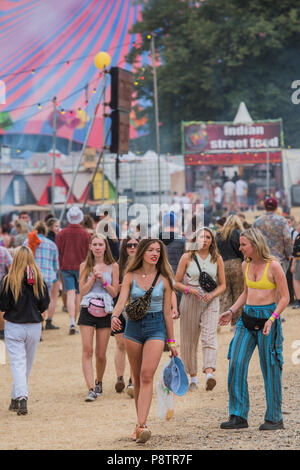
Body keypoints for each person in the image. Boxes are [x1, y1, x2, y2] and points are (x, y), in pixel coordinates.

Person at [219, 228, 289, 431]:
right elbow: (246, 292)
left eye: (243, 245)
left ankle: (275, 418)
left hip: (268, 318)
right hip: (246, 318)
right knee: (236, 363)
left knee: (271, 367)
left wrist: (273, 318)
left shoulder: (274, 266)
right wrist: (231, 311)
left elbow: (285, 297)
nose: (240, 248)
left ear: (255, 245)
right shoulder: (245, 265)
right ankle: (238, 415)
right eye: (240, 245)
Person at [111, 239, 178, 444]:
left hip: (156, 327)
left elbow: (167, 313)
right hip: (133, 328)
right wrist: (114, 316)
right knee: (138, 378)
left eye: (158, 250)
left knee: (147, 375)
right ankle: (140, 424)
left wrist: (172, 341)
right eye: (150, 250)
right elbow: (121, 301)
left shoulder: (165, 278)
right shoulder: (130, 275)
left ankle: (142, 425)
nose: (155, 253)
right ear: (142, 252)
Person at [175, 227, 226, 392]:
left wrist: (212, 295)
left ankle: (209, 373)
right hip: (191, 298)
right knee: (189, 340)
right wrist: (189, 290)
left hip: (210, 300)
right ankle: (193, 377)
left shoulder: (217, 258)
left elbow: (223, 285)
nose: (204, 240)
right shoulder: (187, 257)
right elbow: (176, 282)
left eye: (208, 237)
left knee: (209, 336)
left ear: (212, 241)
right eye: (201, 237)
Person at [0, 246, 50, 415]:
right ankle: (16, 397)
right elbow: (44, 303)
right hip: (34, 325)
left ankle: (21, 398)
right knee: (26, 364)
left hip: (14, 325)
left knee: (18, 363)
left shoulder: (8, 280)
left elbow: (3, 305)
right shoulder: (38, 279)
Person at [78, 234, 119, 402]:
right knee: (87, 350)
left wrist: (103, 280)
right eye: (94, 244)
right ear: (90, 247)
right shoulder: (84, 266)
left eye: (100, 244)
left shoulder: (113, 266)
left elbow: (115, 292)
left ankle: (99, 381)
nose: (97, 247)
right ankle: (90, 389)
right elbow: (82, 291)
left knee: (100, 353)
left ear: (105, 247)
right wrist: (93, 277)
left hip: (106, 309)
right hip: (87, 308)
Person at [56, 206, 90, 335]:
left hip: (65, 267)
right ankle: (75, 321)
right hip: (81, 267)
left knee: (70, 293)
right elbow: (89, 253)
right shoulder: (86, 234)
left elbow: (58, 251)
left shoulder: (61, 233)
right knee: (78, 295)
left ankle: (71, 321)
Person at [113, 236, 140, 397]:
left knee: (132, 345)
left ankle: (132, 379)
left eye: (135, 245)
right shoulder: (118, 265)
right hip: (120, 306)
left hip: (135, 308)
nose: (132, 247)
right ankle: (119, 378)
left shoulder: (143, 265)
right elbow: (114, 289)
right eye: (128, 245)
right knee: (120, 343)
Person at [25, 222, 60, 331]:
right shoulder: (52, 244)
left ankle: (35, 325)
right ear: (45, 231)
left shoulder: (28, 242)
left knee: (32, 301)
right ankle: (41, 325)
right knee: (43, 303)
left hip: (31, 277)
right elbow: (55, 265)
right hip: (48, 278)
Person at [216, 215, 245, 324]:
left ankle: (220, 320)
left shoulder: (219, 234)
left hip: (222, 265)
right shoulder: (238, 233)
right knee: (238, 293)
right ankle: (237, 322)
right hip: (236, 264)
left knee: (224, 294)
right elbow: (241, 251)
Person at [253, 197, 293, 275]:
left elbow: (253, 240)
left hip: (262, 260)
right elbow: (287, 238)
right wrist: (289, 254)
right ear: (276, 207)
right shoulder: (282, 221)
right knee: (280, 284)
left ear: (265, 207)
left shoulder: (256, 222)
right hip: (279, 260)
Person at [0, 245, 13, 340]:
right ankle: (1, 331)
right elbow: (11, 267)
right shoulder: (3, 250)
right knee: (1, 308)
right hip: (1, 283)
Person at [291, 224, 300, 309]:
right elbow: (294, 253)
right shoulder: (297, 236)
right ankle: (298, 301)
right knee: (296, 281)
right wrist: (293, 264)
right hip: (297, 261)